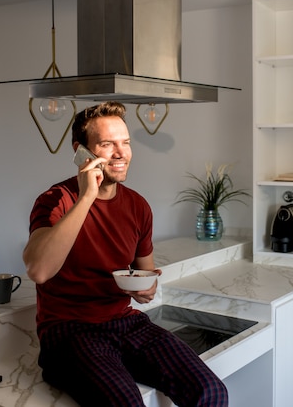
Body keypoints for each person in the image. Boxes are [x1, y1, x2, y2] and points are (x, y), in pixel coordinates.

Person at [22, 101, 228, 407]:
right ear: (82, 151)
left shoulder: (138, 206)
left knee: (211, 392)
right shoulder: (56, 200)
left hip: (125, 323)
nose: (121, 153)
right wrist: (87, 196)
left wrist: (147, 288)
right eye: (107, 144)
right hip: (68, 333)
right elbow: (38, 270)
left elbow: (146, 272)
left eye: (126, 143)